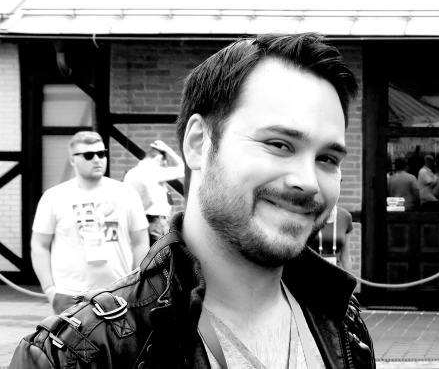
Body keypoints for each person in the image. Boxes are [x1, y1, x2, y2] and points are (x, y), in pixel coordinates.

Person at [12, 33, 375, 369]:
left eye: (327, 158)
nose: (308, 182)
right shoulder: (83, 352)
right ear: (199, 142)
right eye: (279, 144)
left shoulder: (344, 321)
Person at [29, 131, 150, 314]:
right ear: (72, 160)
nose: (97, 159)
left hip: (118, 293)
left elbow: (140, 241)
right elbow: (39, 245)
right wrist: (50, 290)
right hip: (70, 296)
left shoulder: (126, 194)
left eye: (101, 154)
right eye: (88, 155)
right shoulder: (54, 197)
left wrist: (136, 285)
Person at [123, 140, 185, 246]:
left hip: (136, 222)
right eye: (163, 164)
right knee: (160, 257)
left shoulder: (130, 173)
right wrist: (167, 149)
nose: (164, 167)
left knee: (142, 254)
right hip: (156, 222)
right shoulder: (154, 171)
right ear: (158, 159)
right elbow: (184, 169)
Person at [308, 205, 355, 272]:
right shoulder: (308, 214)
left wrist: (350, 280)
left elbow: (345, 256)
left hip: (336, 273)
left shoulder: (345, 216)